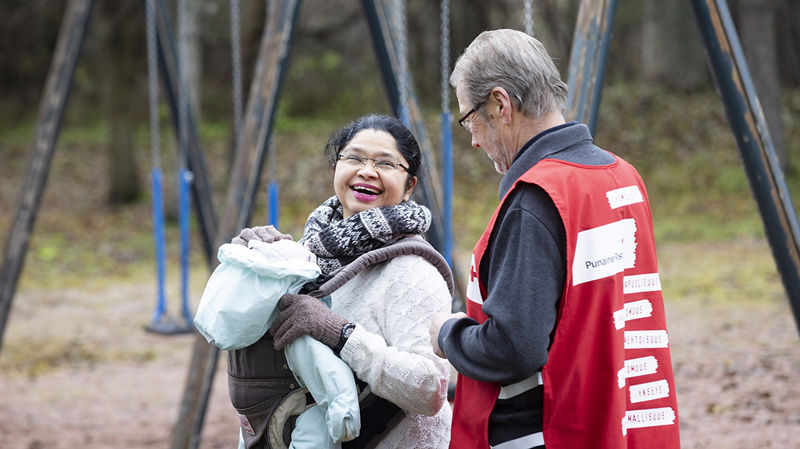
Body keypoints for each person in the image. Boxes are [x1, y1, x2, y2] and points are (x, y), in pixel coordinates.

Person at [428, 29, 680, 449]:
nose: (472, 139)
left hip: (548, 431)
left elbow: (514, 347)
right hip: (624, 426)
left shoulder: (536, 198)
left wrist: (447, 333)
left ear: (500, 104)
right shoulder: (623, 176)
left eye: (469, 118)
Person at [233, 114, 453, 448]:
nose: (367, 170)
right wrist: (254, 265)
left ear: (410, 186)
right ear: (335, 168)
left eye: (386, 163)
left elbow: (430, 389)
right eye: (354, 158)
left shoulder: (412, 268)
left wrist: (340, 334)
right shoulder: (310, 253)